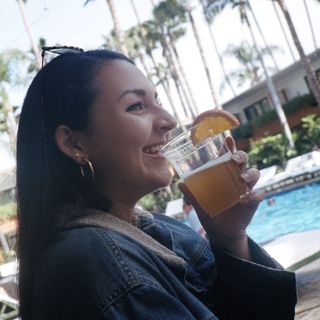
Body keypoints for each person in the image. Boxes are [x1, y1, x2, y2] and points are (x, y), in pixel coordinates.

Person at [16, 47, 297, 320]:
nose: (169, 121)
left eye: (157, 101)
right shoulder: (97, 262)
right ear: (73, 142)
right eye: (136, 106)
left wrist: (229, 239)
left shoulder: (159, 230)